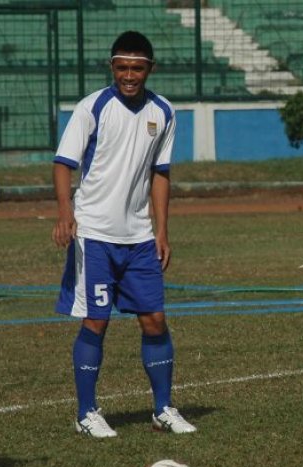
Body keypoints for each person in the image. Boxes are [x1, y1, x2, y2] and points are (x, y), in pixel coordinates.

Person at [52, 31, 196, 438]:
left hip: (139, 238)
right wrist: (66, 213)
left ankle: (164, 408)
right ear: (111, 67)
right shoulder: (92, 107)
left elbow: (160, 174)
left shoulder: (164, 112)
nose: (128, 76)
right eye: (121, 67)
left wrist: (162, 231)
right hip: (94, 233)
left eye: (136, 68)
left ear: (150, 69)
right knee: (96, 320)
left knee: (155, 319)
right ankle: (86, 413)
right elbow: (64, 163)